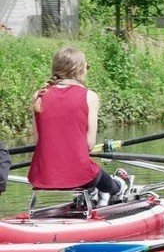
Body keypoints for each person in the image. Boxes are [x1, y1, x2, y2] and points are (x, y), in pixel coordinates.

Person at [27, 46, 128, 205]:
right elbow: (89, 144)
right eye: (86, 67)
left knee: (86, 170)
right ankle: (119, 187)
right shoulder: (90, 96)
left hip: (41, 176)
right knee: (93, 172)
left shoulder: (39, 95)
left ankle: (93, 192)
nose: (87, 71)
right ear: (79, 70)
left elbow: (37, 140)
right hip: (82, 176)